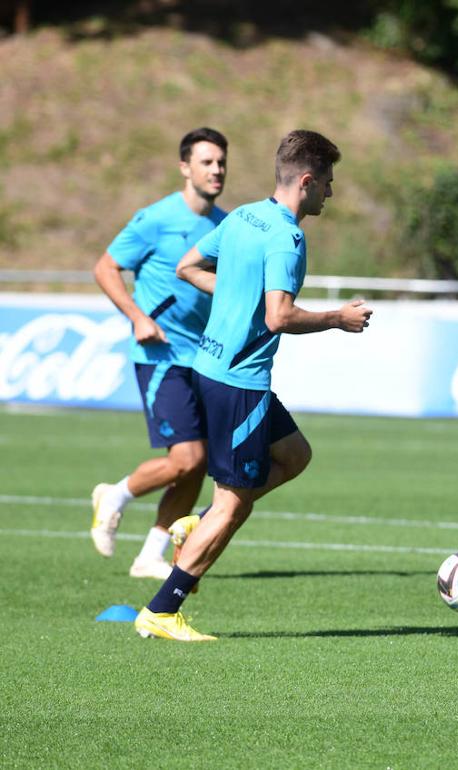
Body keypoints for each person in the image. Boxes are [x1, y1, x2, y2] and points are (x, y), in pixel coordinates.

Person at [133, 130, 373, 641]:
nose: (330, 191)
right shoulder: (286, 238)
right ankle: (162, 609)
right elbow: (279, 316)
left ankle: (198, 521)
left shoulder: (243, 216)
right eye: (327, 182)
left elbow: (187, 267)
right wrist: (338, 318)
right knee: (234, 505)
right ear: (306, 181)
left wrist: (236, 294)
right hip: (239, 383)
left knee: (295, 455)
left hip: (211, 368)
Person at [90, 128, 229, 579]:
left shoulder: (225, 226)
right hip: (160, 356)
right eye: (206, 162)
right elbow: (106, 267)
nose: (216, 170)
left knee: (197, 465)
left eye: (221, 162)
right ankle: (115, 494)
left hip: (203, 358)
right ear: (185, 167)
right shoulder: (156, 218)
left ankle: (150, 555)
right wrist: (136, 316)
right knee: (186, 458)